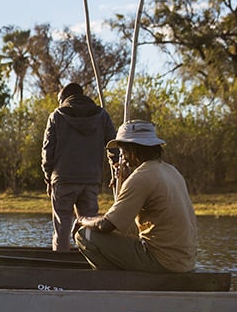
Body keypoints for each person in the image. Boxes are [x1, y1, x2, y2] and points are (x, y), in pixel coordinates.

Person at [74, 120, 197, 272]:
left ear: (133, 149)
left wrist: (82, 220)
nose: (123, 157)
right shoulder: (171, 171)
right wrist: (125, 181)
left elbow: (106, 225)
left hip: (162, 261)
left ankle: (114, 282)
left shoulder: (141, 177)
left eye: (123, 150)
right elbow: (126, 222)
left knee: (84, 235)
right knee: (120, 231)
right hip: (185, 262)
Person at [41, 82, 116, 252]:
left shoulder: (57, 116)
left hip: (63, 179)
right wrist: (116, 165)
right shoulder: (102, 115)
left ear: (64, 99)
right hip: (91, 179)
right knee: (89, 223)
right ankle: (88, 259)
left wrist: (48, 177)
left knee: (63, 224)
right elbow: (114, 145)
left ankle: (60, 264)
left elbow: (47, 151)